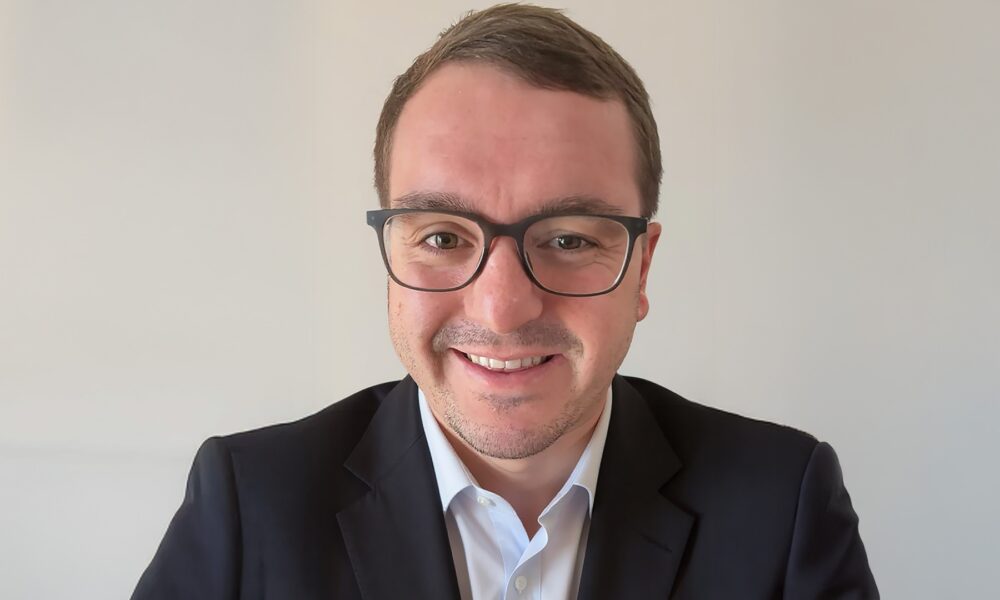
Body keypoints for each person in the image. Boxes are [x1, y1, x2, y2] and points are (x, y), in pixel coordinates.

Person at [132, 4, 878, 599]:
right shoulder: (250, 504)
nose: (501, 309)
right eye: (443, 237)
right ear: (390, 257)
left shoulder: (783, 506)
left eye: (569, 240)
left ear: (641, 268)